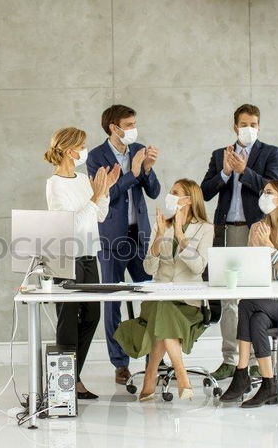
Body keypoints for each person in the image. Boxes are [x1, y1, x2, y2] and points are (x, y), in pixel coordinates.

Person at [200, 104, 278, 381]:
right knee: (228, 298)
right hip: (228, 231)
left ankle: (261, 359)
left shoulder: (271, 153)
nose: (250, 129)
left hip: (257, 230)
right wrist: (224, 172)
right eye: (245, 124)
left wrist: (245, 171)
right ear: (235, 126)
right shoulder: (219, 154)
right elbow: (204, 192)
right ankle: (230, 358)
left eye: (255, 124)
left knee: (259, 295)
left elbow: (274, 190)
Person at [114, 179, 213, 401]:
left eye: (175, 192)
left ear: (188, 199)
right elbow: (149, 268)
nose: (170, 196)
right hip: (159, 298)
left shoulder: (206, 228)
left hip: (188, 303)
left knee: (164, 312)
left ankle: (151, 375)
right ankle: (182, 377)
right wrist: (158, 238)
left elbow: (199, 267)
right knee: (163, 307)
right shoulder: (162, 225)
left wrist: (180, 235)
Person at [219, 181, 278, 406]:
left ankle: (241, 372)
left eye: (269, 193)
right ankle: (268, 384)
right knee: (257, 318)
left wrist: (269, 247)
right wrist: (257, 246)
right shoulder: (257, 227)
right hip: (263, 303)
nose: (263, 196)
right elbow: (252, 269)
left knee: (246, 305)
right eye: (264, 192)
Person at [87, 105, 161, 385]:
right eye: (128, 124)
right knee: (112, 301)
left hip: (139, 236)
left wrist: (148, 169)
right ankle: (120, 363)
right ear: (113, 128)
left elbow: (153, 191)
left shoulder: (139, 149)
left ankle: (156, 356)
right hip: (111, 238)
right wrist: (133, 171)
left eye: (134, 123)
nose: (133, 129)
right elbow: (106, 193)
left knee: (153, 297)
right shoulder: (96, 157)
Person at [44, 127, 120, 399]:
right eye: (81, 145)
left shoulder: (82, 179)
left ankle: (71, 376)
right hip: (66, 257)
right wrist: (94, 196)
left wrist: (105, 191)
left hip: (89, 254)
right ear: (67, 149)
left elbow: (99, 215)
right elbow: (68, 225)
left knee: (91, 314)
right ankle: (67, 383)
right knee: (68, 318)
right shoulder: (55, 184)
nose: (84, 151)